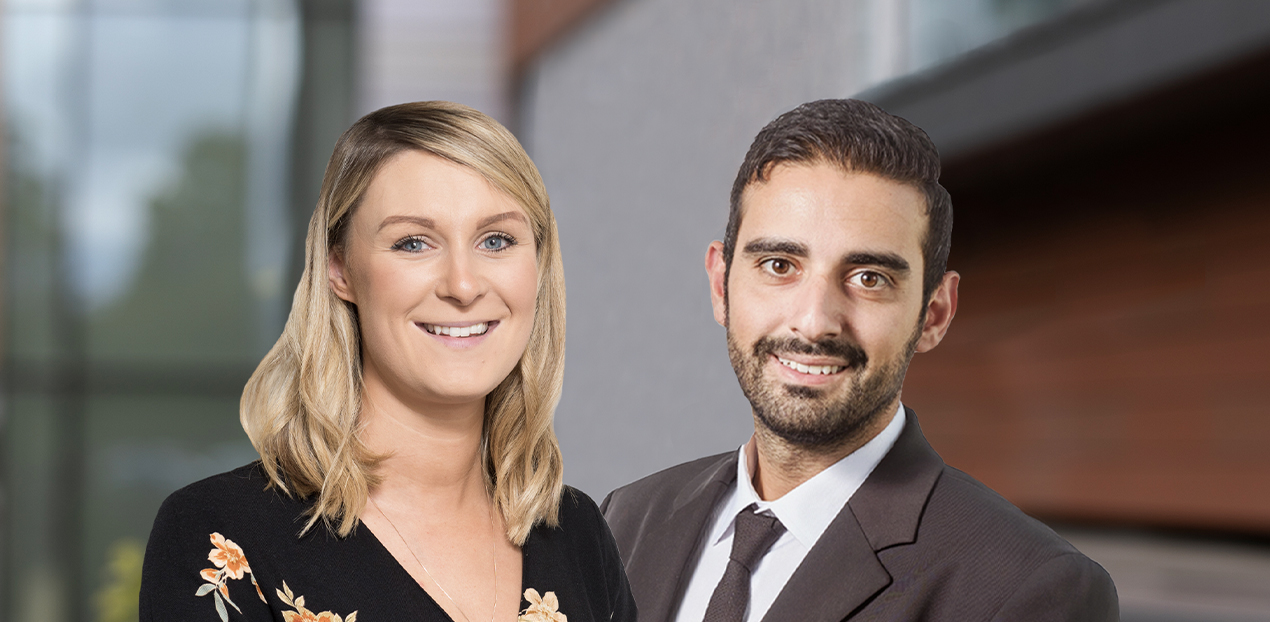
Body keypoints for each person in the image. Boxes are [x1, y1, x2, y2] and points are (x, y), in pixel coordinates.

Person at [600, 99, 1118, 622]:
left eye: (869, 278)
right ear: (721, 285)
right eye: (779, 265)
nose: (814, 321)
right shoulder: (625, 521)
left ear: (934, 314)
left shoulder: (1031, 589)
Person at [140, 101, 635, 622]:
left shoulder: (577, 534)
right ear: (340, 270)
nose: (463, 285)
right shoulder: (220, 532)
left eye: (497, 240)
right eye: (413, 243)